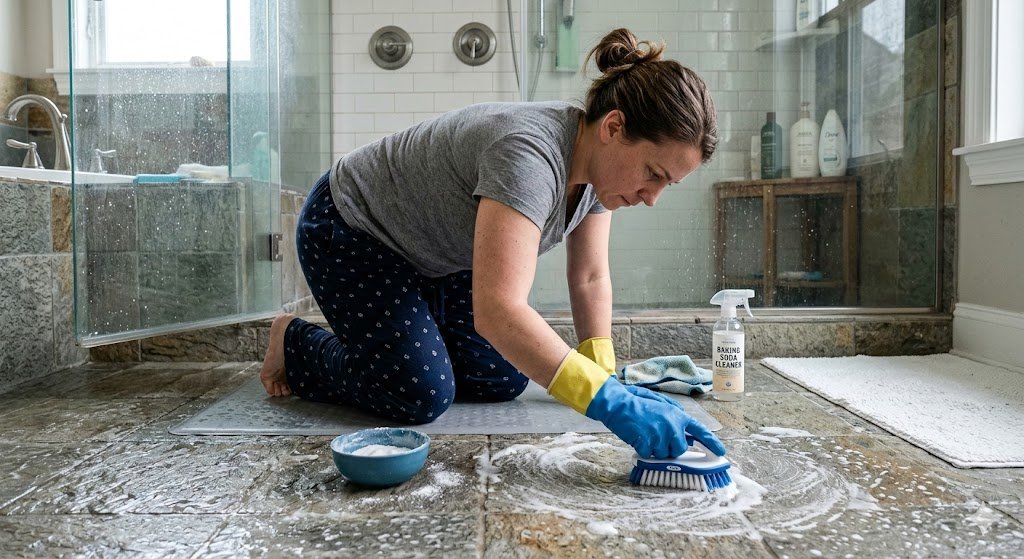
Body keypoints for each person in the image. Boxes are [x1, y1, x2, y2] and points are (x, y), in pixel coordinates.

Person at [260, 28, 726, 460]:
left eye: (668, 185)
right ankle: (295, 343)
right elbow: (499, 310)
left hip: (434, 257)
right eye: (653, 174)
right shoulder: (528, 156)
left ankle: (413, 325)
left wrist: (602, 370)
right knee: (420, 392)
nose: (651, 199)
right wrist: (608, 403)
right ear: (613, 127)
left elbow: (588, 276)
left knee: (500, 377)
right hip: (353, 228)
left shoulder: (602, 175)